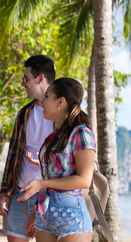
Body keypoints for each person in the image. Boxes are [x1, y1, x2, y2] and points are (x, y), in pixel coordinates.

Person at [18, 78, 96, 241]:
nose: (43, 101)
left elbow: (84, 180)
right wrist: (35, 213)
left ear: (60, 101)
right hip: (44, 215)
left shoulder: (82, 133)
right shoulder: (52, 138)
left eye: (47, 96)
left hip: (72, 218)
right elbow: (50, 179)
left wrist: (41, 184)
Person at [0, 55, 56, 241]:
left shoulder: (64, 113)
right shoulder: (24, 113)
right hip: (20, 193)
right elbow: (13, 154)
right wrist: (4, 191)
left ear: (40, 79)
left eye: (26, 79)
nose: (23, 84)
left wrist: (43, 159)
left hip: (49, 195)